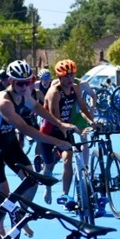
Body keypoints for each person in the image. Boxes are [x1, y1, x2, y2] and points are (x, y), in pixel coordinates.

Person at [0, 60, 74, 206]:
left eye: (28, 81)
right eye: (20, 83)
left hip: (10, 143)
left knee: (31, 182)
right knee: (3, 195)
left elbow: (39, 108)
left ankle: (20, 216)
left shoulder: (24, 94)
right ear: (11, 81)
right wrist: (58, 142)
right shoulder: (3, 102)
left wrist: (60, 123)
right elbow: (26, 129)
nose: (25, 86)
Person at [40, 59, 96, 204]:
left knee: (68, 158)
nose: (70, 79)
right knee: (49, 166)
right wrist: (70, 127)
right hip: (50, 130)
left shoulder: (76, 88)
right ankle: (48, 188)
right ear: (59, 77)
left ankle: (64, 195)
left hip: (66, 127)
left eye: (72, 75)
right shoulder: (54, 93)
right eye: (66, 76)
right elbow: (56, 119)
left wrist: (92, 122)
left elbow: (83, 108)